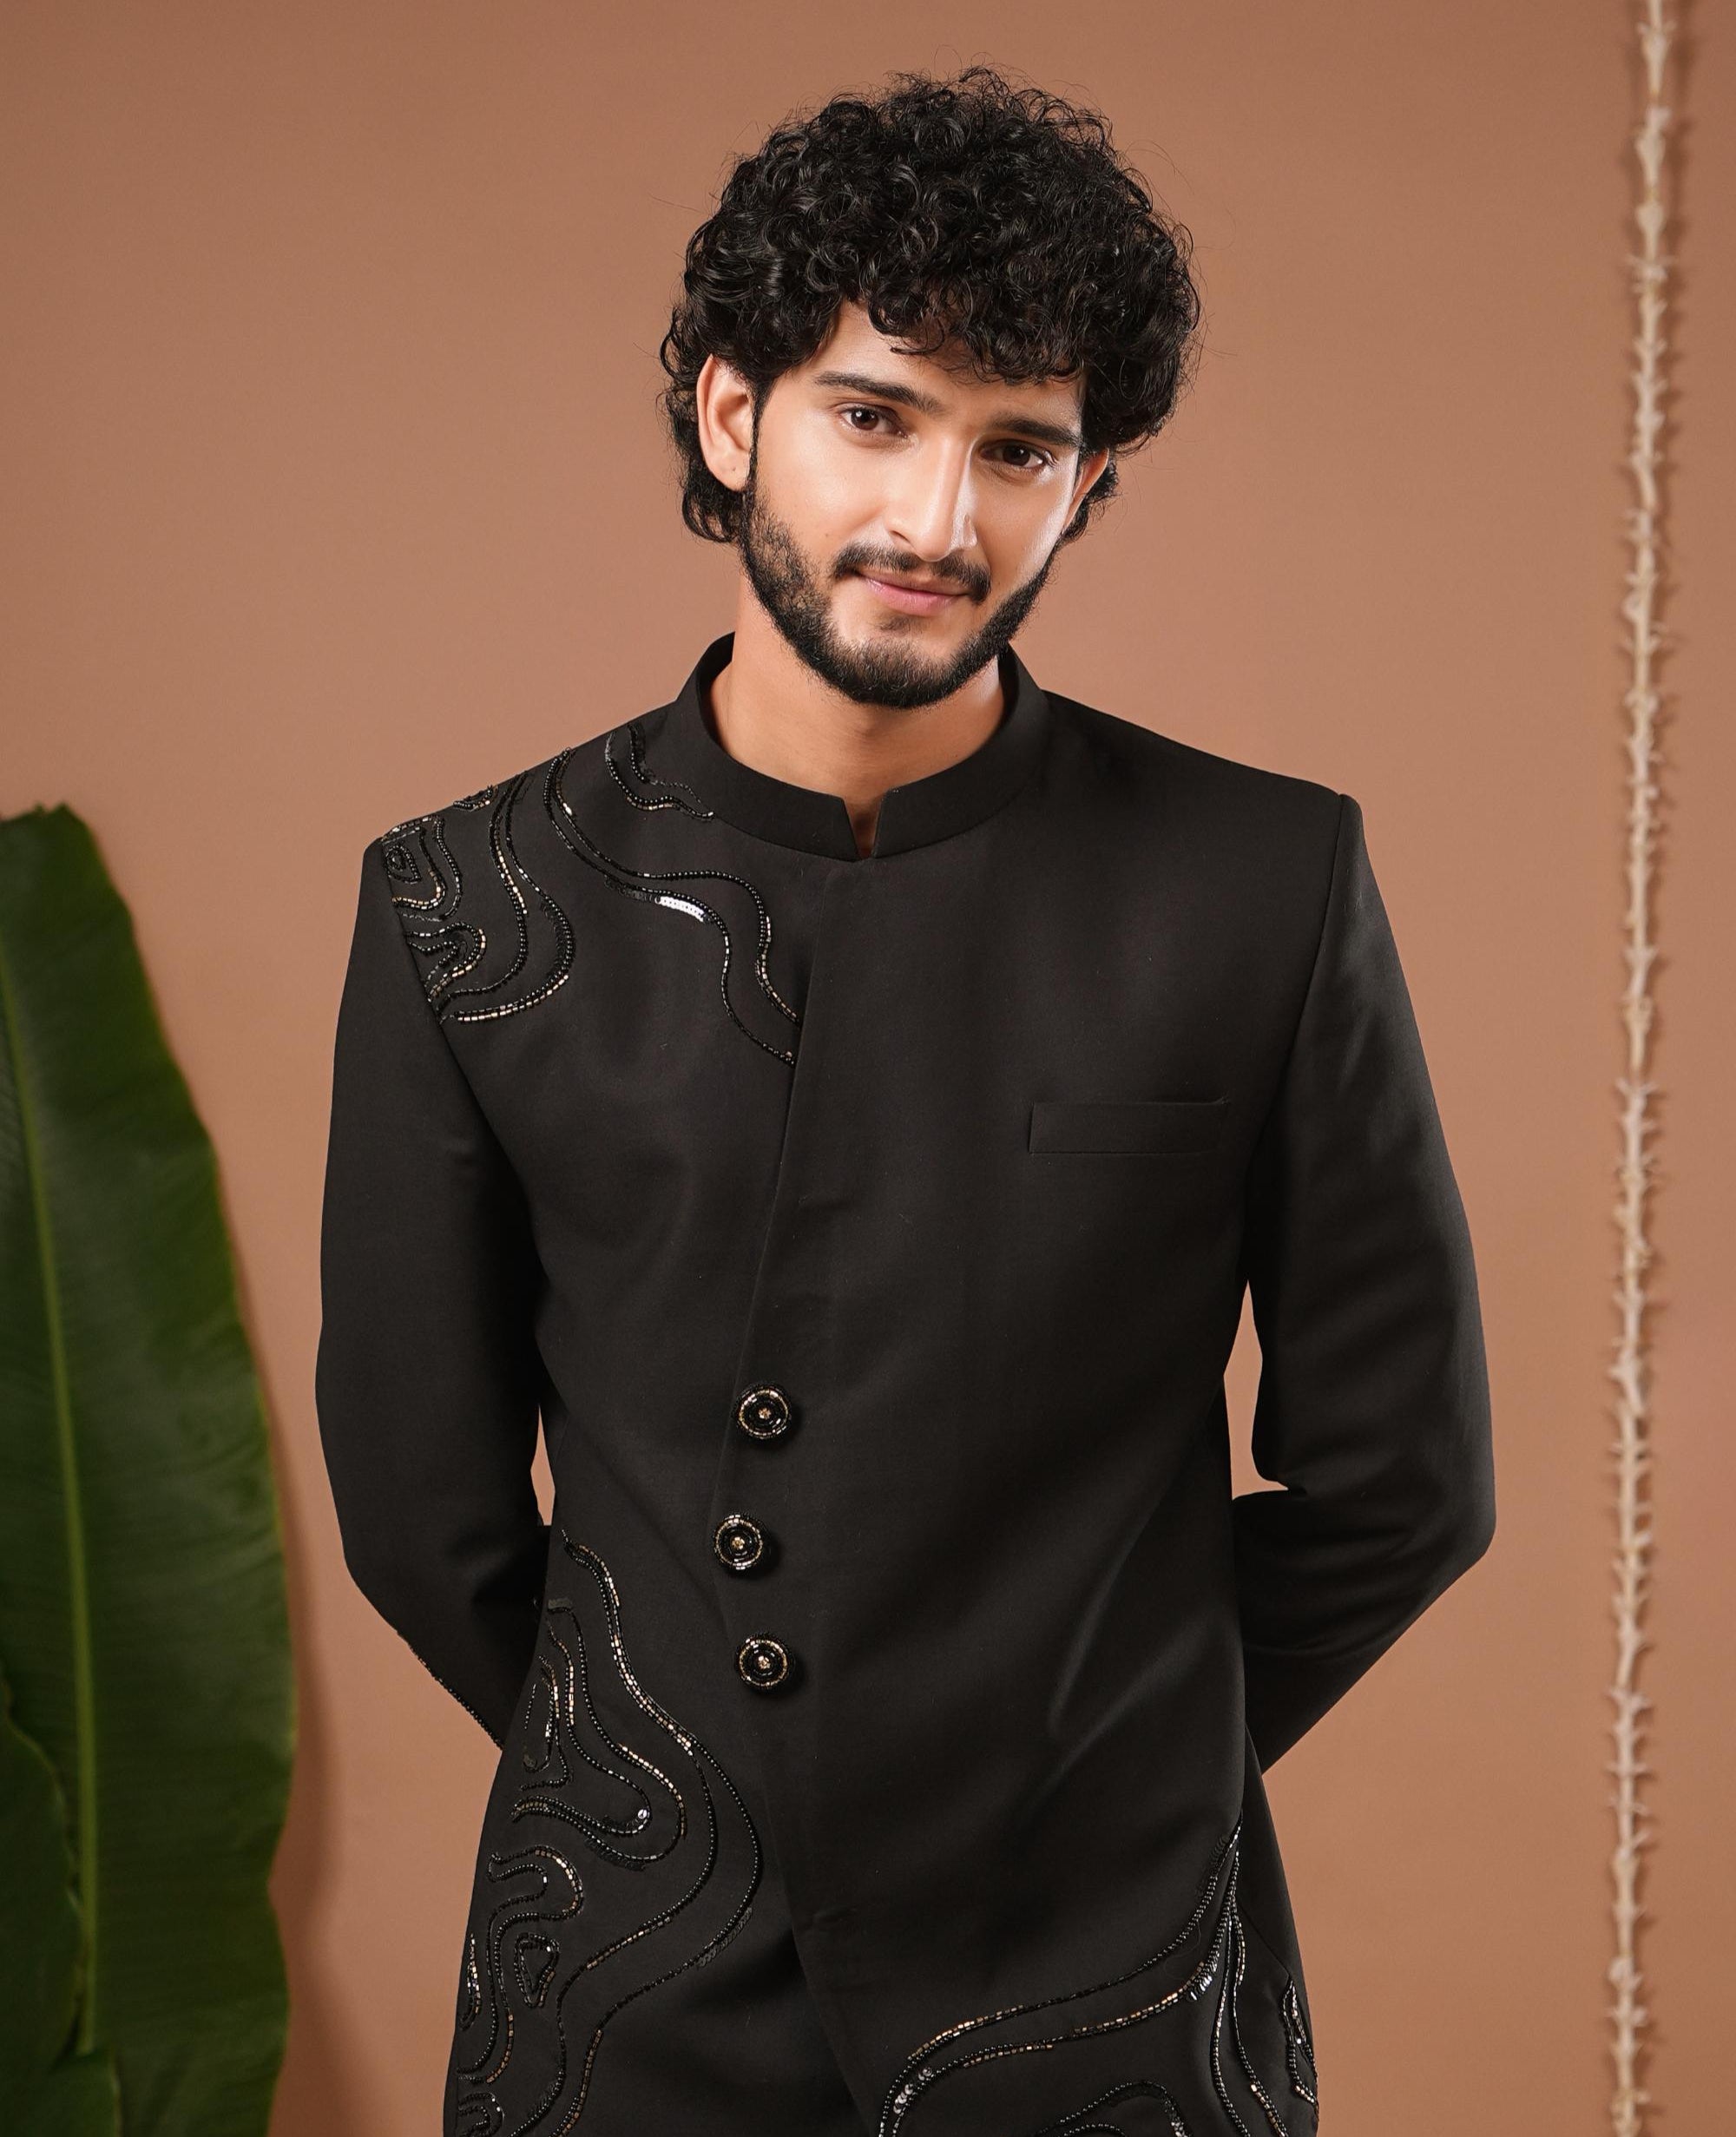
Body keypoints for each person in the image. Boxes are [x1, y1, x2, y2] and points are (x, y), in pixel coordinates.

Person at [315, 62, 1495, 2137]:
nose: (939, 523)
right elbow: (427, 1516)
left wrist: (1127, 1769)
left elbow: (1405, 1482)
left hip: (1114, 1994)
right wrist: (680, 1788)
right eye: (875, 416)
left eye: (1015, 448)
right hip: (632, 2000)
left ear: (1084, 482)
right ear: (729, 414)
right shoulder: (468, 904)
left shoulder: (1259, 881)